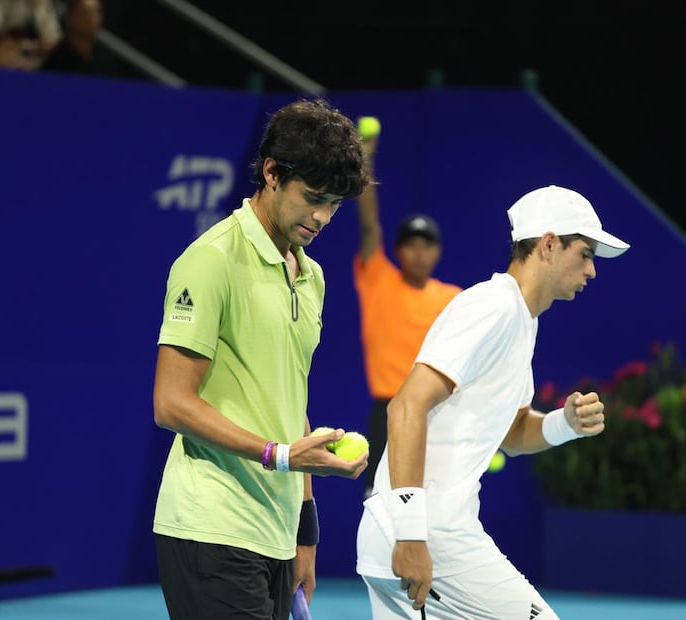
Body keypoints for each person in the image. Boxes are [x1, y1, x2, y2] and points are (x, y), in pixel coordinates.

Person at [356, 184, 630, 619]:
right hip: (427, 536)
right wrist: (411, 536)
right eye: (586, 253)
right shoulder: (493, 307)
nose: (592, 271)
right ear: (548, 244)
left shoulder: (522, 321)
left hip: (409, 533)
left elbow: (514, 433)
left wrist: (566, 423)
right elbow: (405, 406)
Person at [152, 98, 372, 620]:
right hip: (212, 528)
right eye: (313, 197)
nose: (322, 217)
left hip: (275, 535)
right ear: (272, 173)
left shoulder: (310, 276)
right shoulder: (211, 261)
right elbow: (171, 403)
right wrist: (280, 455)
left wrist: (305, 532)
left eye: (335, 204)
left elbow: (287, 400)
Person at [353, 125, 461, 498]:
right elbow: (369, 227)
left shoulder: (453, 298)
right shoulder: (378, 280)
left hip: (438, 416)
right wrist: (365, 158)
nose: (418, 252)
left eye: (426, 245)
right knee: (381, 507)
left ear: (438, 253)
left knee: (436, 510)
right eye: (410, 245)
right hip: (388, 414)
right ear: (398, 252)